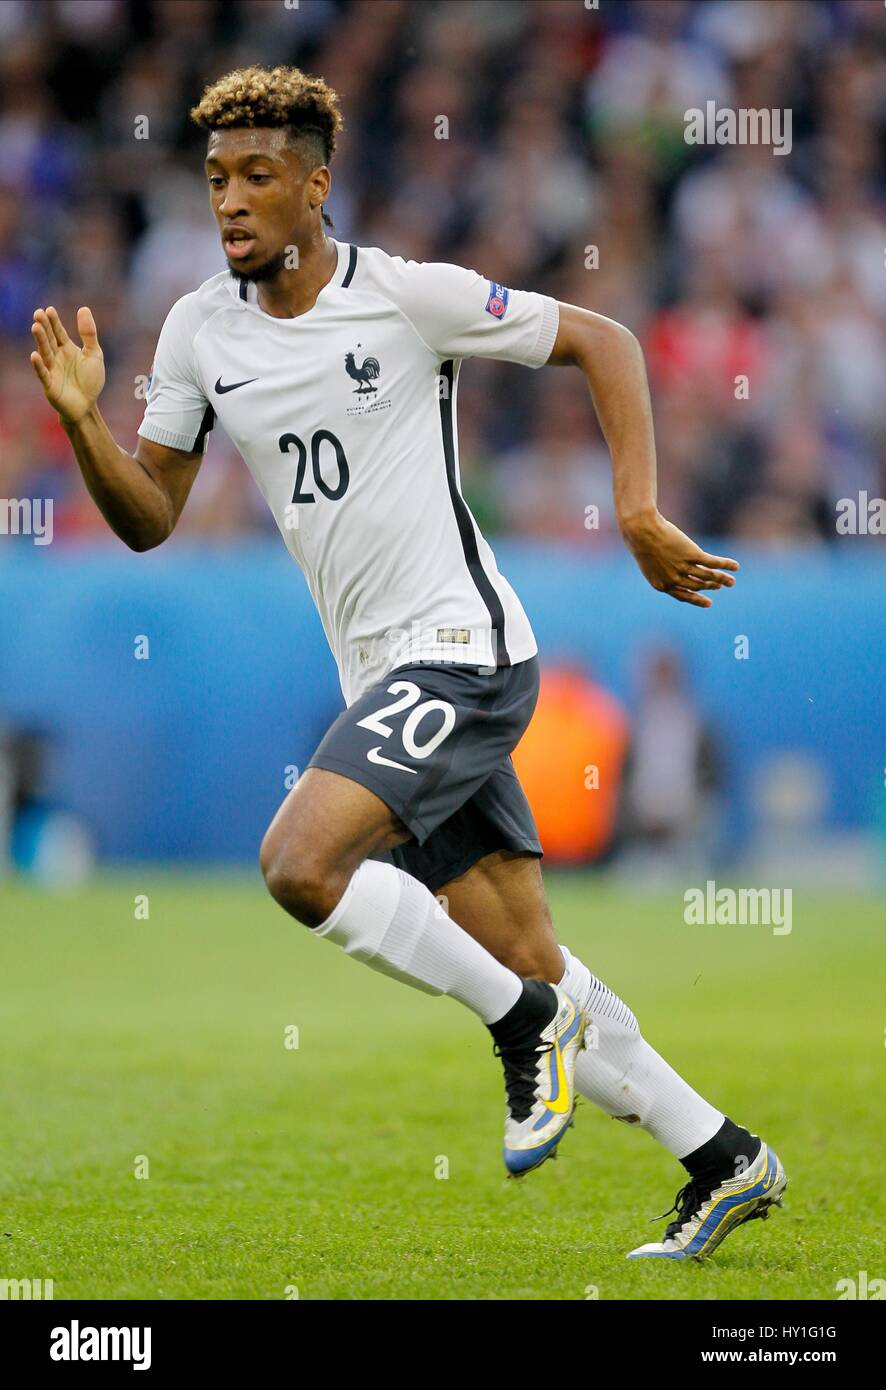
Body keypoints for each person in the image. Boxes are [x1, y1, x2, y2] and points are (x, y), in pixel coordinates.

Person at [29, 65, 785, 1259]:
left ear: (316, 187)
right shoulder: (195, 331)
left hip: (466, 655)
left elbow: (603, 337)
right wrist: (82, 426)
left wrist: (637, 508)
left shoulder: (404, 298)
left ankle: (522, 1026)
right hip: (380, 682)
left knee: (299, 864)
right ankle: (723, 1156)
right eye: (216, 178)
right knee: (532, 956)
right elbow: (149, 517)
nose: (229, 201)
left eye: (258, 177)